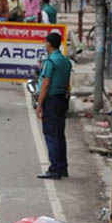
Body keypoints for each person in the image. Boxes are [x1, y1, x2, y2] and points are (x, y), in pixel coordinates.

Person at [36, 33, 71, 180]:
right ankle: (62, 167)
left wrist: (39, 105)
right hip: (62, 99)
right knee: (60, 134)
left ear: (49, 44)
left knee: (51, 134)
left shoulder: (50, 62)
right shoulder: (65, 61)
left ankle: (54, 168)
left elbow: (45, 84)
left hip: (52, 100)